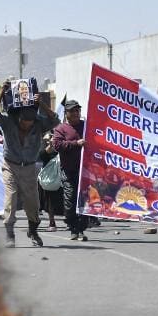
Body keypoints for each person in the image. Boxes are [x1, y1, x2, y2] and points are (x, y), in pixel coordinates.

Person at [0, 81, 59, 247]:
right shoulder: (8, 123)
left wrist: (41, 103)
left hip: (29, 167)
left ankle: (33, 231)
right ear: (18, 117)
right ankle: (9, 234)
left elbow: (55, 120)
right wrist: (1, 92)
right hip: (10, 165)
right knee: (11, 197)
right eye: (23, 122)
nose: (26, 126)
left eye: (30, 123)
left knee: (32, 202)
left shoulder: (38, 123)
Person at [51, 100, 88, 241]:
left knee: (84, 202)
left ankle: (81, 229)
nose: (75, 113)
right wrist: (76, 144)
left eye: (77, 110)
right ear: (66, 114)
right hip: (69, 170)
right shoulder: (61, 129)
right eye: (72, 111)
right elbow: (57, 145)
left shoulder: (86, 126)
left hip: (86, 171)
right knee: (70, 201)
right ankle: (73, 227)